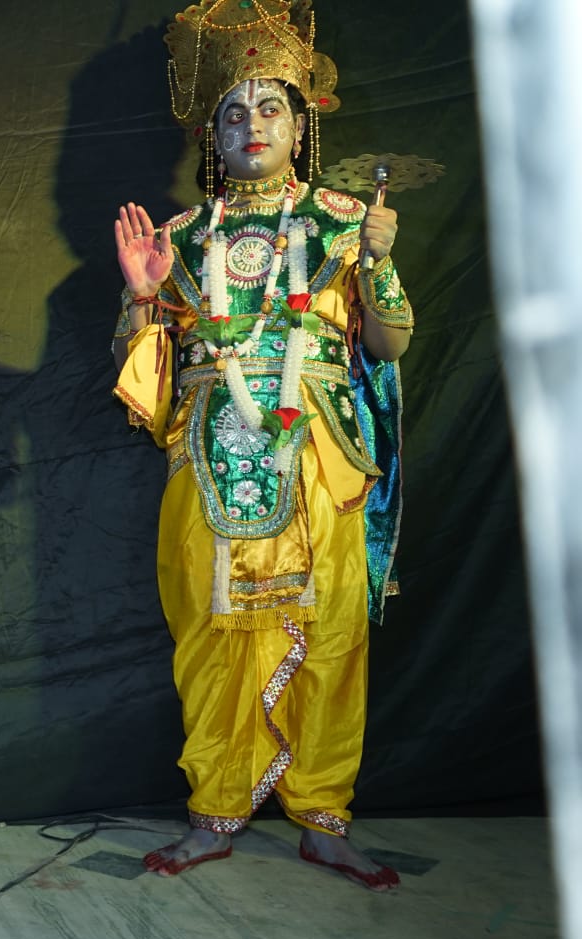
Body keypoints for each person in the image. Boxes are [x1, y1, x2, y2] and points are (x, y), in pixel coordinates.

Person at [111, 0, 412, 891]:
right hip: (206, 463)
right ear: (213, 131)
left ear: (300, 121)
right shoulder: (179, 239)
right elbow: (139, 386)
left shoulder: (347, 219)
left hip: (318, 459)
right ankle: (214, 814)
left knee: (331, 634)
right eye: (233, 112)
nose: (252, 126)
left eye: (270, 106)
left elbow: (389, 346)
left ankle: (323, 818)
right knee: (209, 636)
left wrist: (382, 262)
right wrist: (138, 298)